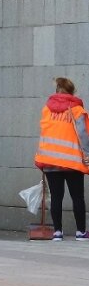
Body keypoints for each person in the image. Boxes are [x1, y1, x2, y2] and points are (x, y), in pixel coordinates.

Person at [34, 76, 89, 240]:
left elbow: (45, 131)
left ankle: (57, 232)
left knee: (56, 197)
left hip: (51, 160)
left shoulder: (47, 109)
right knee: (77, 197)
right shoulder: (77, 110)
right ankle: (80, 232)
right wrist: (87, 154)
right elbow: (83, 134)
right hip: (72, 161)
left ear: (57, 91)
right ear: (72, 92)